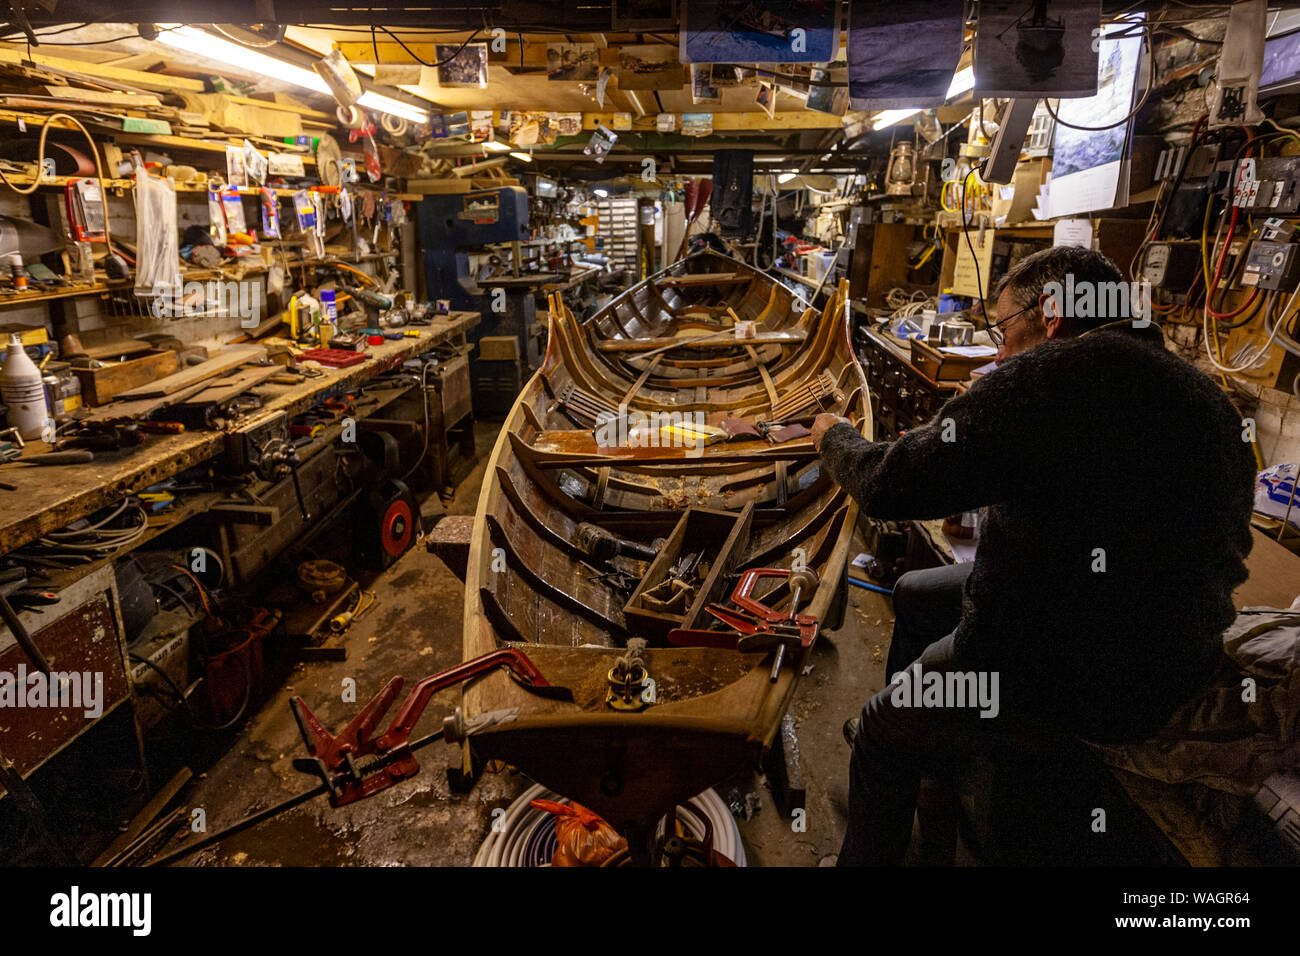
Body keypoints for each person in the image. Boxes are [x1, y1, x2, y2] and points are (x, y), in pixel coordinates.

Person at [810, 246, 1257, 865]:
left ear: (1050, 312)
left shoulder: (1051, 377)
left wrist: (831, 434)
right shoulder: (1203, 395)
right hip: (1175, 656)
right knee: (916, 591)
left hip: (1065, 669)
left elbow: (891, 484)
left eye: (1002, 329)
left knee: (884, 725)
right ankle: (934, 772)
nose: (997, 350)